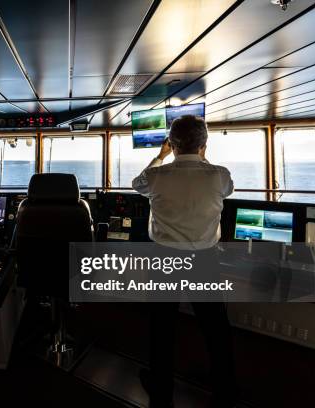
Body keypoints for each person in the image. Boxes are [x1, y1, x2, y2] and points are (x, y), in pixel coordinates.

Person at [132, 115, 237, 408]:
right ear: (204, 144)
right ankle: (225, 391)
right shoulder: (220, 175)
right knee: (216, 329)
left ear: (172, 144)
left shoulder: (156, 177)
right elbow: (226, 189)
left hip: (165, 259)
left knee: (162, 329)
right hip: (204, 259)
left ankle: (161, 392)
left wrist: (160, 156)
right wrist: (202, 156)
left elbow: (136, 183)